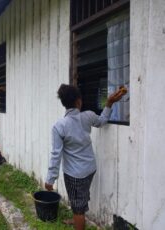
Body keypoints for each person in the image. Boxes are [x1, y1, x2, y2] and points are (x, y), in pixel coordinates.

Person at [45, 84, 127, 230]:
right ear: (78, 101)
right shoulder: (88, 116)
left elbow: (56, 154)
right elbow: (102, 121)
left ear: (64, 103)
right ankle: (76, 217)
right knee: (79, 198)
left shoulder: (59, 126)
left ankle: (78, 217)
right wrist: (109, 103)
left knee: (78, 205)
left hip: (74, 174)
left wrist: (50, 178)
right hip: (90, 168)